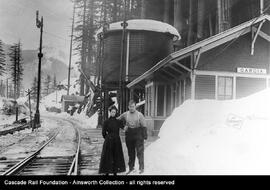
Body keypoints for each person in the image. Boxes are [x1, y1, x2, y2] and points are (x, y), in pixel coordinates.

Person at [118, 100, 147, 174]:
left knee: (139, 152)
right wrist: (123, 127)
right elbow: (118, 120)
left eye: (133, 106)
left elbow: (144, 126)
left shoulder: (139, 115)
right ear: (128, 107)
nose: (131, 108)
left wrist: (145, 137)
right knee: (131, 153)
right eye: (130, 107)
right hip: (129, 134)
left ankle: (141, 168)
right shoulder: (125, 114)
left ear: (135, 107)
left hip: (138, 134)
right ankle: (131, 167)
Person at [99, 106, 126, 175]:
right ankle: (107, 172)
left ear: (116, 112)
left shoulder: (118, 121)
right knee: (108, 157)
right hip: (109, 141)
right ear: (110, 112)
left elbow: (124, 127)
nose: (113, 113)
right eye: (112, 112)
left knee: (116, 156)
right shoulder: (106, 121)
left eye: (114, 112)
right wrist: (108, 138)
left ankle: (115, 172)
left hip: (116, 141)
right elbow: (103, 133)